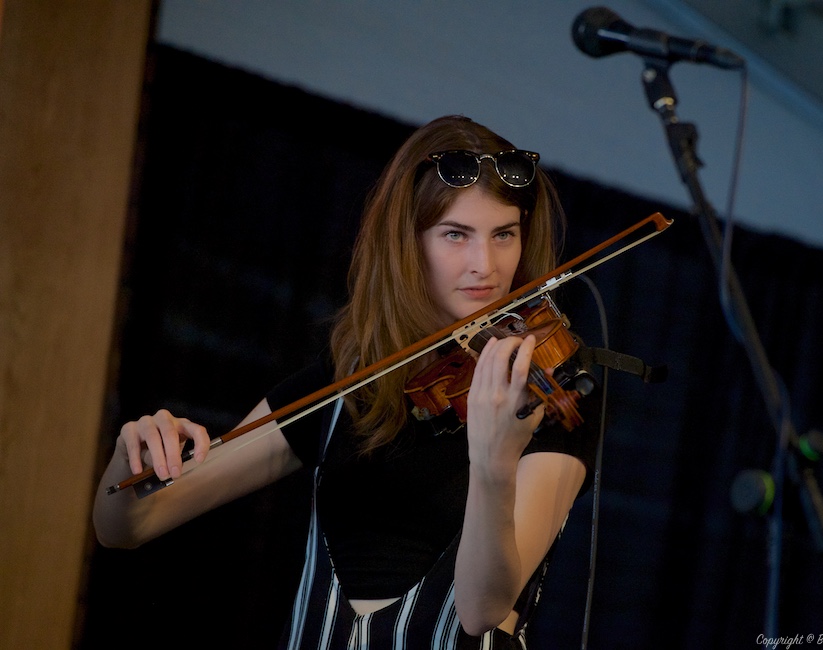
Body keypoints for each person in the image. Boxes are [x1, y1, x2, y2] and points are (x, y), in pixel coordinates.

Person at [92, 115, 600, 649]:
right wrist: (130, 462)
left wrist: (495, 462)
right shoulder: (346, 385)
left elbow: (482, 609)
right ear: (407, 244)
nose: (486, 264)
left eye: (504, 235)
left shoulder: (549, 383)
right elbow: (125, 528)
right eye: (456, 234)